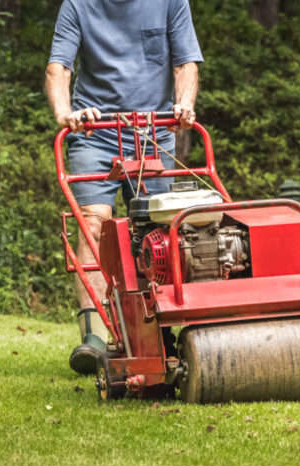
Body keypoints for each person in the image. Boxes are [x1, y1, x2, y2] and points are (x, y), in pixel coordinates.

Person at [44, 0, 203, 374]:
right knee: (93, 223)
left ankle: (157, 330)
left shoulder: (170, 2)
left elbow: (186, 64)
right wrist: (66, 115)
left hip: (152, 129)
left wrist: (183, 106)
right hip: (94, 130)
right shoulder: (78, 5)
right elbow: (58, 69)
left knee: (156, 232)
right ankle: (94, 336)